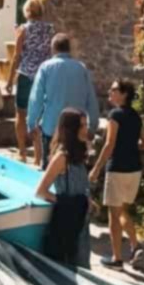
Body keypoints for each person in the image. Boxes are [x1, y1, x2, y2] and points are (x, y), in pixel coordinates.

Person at [90, 79, 144, 270]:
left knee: (114, 215)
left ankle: (117, 258)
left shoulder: (114, 114)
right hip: (134, 169)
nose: (110, 91)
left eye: (114, 89)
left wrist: (96, 168)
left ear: (124, 94)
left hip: (117, 168)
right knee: (122, 210)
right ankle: (135, 246)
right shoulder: (136, 116)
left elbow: (109, 144)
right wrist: (132, 147)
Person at [26, 35, 100, 166]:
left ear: (53, 48)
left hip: (51, 127)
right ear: (69, 49)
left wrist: (32, 123)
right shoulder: (81, 68)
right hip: (77, 128)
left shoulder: (46, 67)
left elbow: (36, 97)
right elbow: (91, 99)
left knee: (50, 169)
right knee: (76, 168)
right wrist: (92, 127)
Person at [35, 107, 92, 269]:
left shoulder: (79, 152)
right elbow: (41, 191)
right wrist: (69, 202)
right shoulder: (62, 157)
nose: (86, 129)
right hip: (68, 220)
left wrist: (87, 200)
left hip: (80, 219)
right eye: (82, 126)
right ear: (71, 129)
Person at [10, 0, 55, 161]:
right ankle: (38, 156)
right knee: (38, 115)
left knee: (21, 113)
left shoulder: (23, 29)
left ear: (27, 12)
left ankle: (22, 152)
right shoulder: (50, 30)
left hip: (26, 75)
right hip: (43, 76)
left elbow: (17, 56)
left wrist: (9, 80)